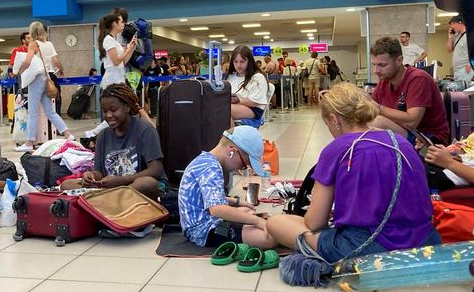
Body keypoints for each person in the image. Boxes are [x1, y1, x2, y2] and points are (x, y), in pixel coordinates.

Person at [266, 83, 441, 263]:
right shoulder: (401, 142)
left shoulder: (337, 148)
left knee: (276, 223)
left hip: (368, 247)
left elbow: (315, 223)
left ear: (334, 119)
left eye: (328, 125)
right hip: (425, 241)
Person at [178, 125, 276, 249]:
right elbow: (217, 209)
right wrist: (258, 222)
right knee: (269, 238)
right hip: (204, 231)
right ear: (231, 152)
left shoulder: (205, 161)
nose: (241, 169)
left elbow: (208, 197)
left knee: (247, 212)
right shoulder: (211, 168)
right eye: (243, 165)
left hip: (198, 223)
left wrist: (237, 202)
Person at [61, 84, 165, 199]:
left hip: (136, 187)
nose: (109, 115)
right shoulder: (103, 136)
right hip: (112, 188)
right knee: (67, 184)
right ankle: (110, 199)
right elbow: (99, 173)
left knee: (147, 183)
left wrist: (121, 181)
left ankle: (108, 199)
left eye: (114, 110)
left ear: (127, 107)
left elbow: (156, 170)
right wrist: (90, 176)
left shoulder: (145, 130)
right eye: (105, 111)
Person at [369, 37, 449, 144]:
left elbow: (411, 122)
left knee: (378, 123)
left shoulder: (418, 79)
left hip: (427, 139)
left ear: (399, 60)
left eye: (382, 65)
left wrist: (377, 107)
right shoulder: (384, 82)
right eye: (373, 65)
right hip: (404, 132)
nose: (376, 71)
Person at [15, 22, 73, 151]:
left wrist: (19, 70)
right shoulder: (49, 44)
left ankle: (29, 143)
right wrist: (61, 69)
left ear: (32, 32)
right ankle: (68, 134)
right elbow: (56, 61)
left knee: (33, 113)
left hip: (36, 80)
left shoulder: (33, 44)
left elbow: (28, 61)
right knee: (50, 111)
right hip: (47, 79)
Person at [227, 46, 270, 127]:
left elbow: (254, 102)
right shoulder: (231, 76)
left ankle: (231, 138)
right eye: (235, 62)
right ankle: (224, 138)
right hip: (233, 105)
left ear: (249, 61)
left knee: (223, 111)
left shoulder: (258, 77)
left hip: (253, 109)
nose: (238, 65)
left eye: (242, 62)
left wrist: (238, 101)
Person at [99, 13, 138, 89]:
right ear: (114, 24)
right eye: (121, 22)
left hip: (119, 78)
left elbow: (123, 62)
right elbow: (116, 62)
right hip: (112, 80)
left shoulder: (114, 41)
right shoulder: (108, 40)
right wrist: (128, 49)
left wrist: (132, 48)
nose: (124, 24)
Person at [446, 16, 474, 83]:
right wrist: (450, 37)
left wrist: (470, 65)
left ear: (460, 23)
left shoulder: (470, 35)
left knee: (463, 91)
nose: (451, 27)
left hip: (465, 69)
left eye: (453, 24)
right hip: (457, 70)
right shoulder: (456, 36)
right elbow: (449, 50)